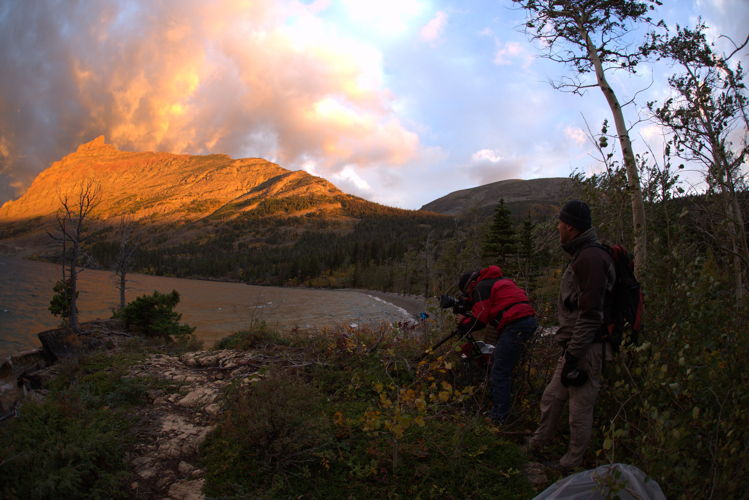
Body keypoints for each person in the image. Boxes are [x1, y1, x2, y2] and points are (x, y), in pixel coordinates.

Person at [528, 200, 615, 470]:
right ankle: (538, 443)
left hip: (587, 349)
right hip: (575, 349)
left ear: (571, 227)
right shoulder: (582, 255)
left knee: (579, 410)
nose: (557, 227)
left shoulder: (590, 258)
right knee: (553, 397)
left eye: (560, 223)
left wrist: (574, 356)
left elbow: (591, 315)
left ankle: (571, 463)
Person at [456, 265, 537, 425]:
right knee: (502, 365)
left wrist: (463, 322)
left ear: (469, 285)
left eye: (467, 294)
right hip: (526, 321)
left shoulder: (481, 287)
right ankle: (505, 409)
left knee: (499, 370)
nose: (469, 297)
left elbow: (479, 320)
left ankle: (499, 418)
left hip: (515, 324)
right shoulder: (499, 281)